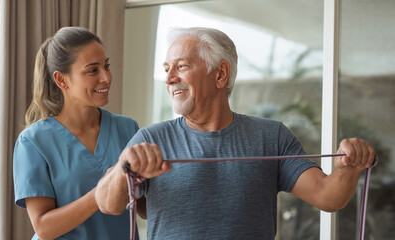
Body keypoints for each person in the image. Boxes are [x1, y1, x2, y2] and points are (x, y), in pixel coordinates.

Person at [95, 27, 376, 239]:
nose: (169, 79)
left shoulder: (271, 136)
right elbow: (108, 203)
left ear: (220, 75)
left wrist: (347, 169)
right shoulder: (151, 139)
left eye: (181, 66)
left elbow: (328, 196)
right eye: (167, 69)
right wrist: (123, 170)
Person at [13, 26, 139, 240]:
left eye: (106, 66)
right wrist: (100, 193)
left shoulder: (127, 129)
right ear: (61, 80)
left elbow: (143, 205)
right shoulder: (33, 142)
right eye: (93, 70)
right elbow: (43, 227)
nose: (106, 77)